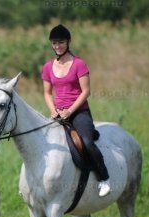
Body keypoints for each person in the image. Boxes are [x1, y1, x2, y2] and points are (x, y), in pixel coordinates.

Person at [41, 24, 111, 197]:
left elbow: (86, 92)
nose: (57, 46)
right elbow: (47, 93)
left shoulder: (79, 64)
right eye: (54, 43)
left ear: (68, 42)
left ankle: (104, 178)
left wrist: (70, 111)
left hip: (79, 112)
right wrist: (53, 110)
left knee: (86, 142)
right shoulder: (48, 67)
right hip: (59, 113)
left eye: (61, 42)